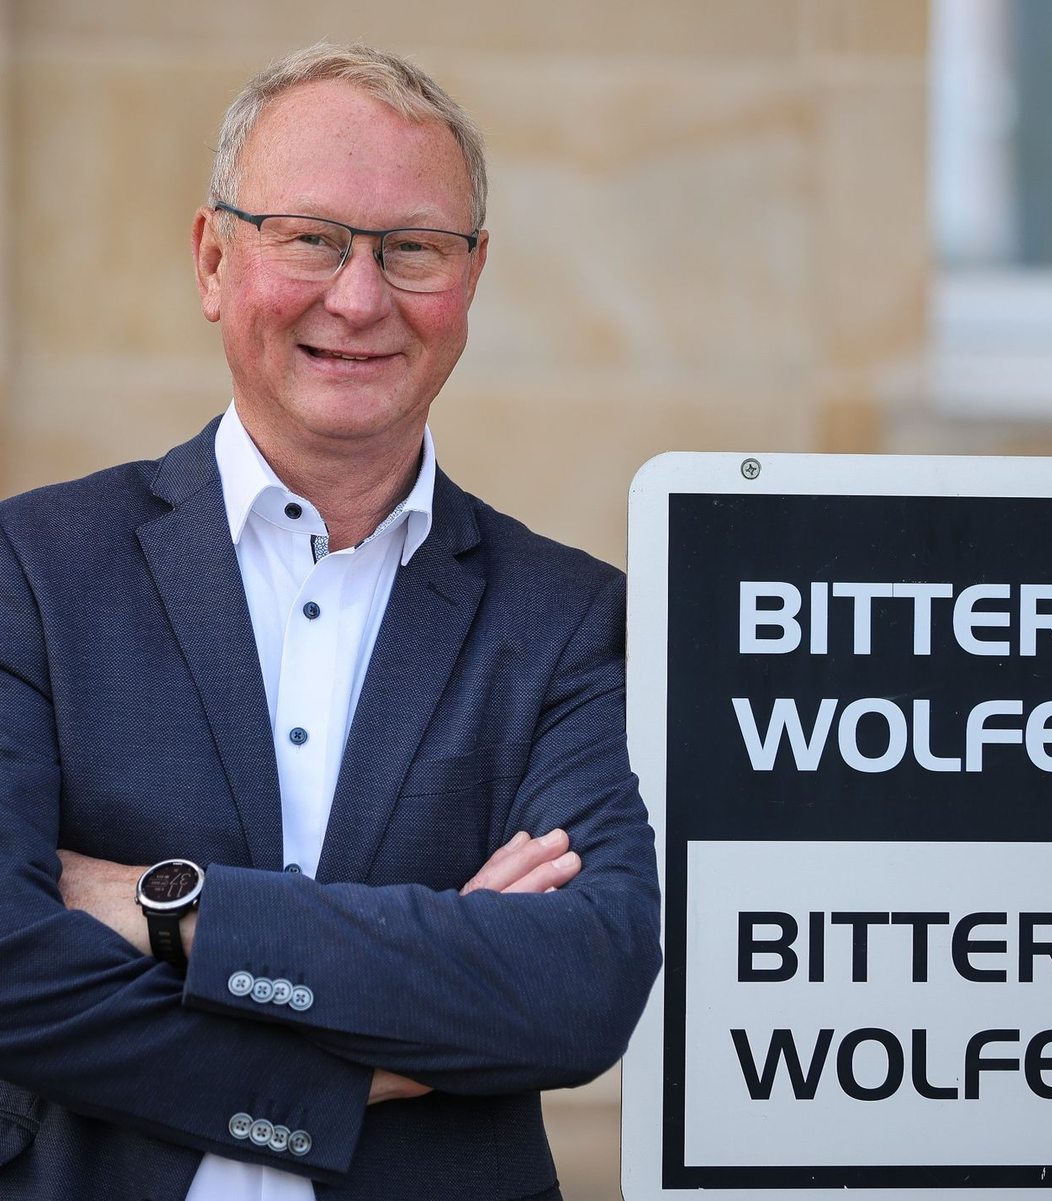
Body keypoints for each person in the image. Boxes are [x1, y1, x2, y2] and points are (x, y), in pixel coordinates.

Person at [0, 42, 661, 1201]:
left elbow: (581, 986)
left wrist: (170, 908)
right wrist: (365, 1067)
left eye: (413, 248)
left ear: (471, 280)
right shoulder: (34, 569)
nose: (359, 299)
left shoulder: (569, 620)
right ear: (213, 259)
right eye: (309, 237)